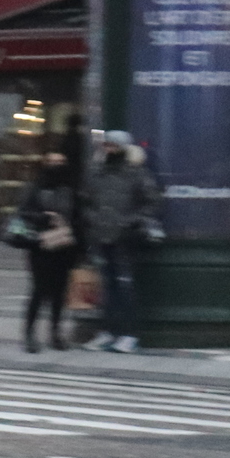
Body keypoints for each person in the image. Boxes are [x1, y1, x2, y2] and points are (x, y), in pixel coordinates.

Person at [80, 129, 161, 352]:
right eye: (107, 146)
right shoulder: (96, 171)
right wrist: (92, 218)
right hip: (102, 235)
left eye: (113, 146)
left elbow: (151, 201)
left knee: (125, 287)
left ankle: (128, 334)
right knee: (107, 287)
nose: (109, 150)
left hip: (124, 238)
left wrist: (132, 221)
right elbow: (86, 200)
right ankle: (108, 331)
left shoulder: (135, 173)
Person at [12, 151, 79, 353]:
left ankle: (55, 332)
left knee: (59, 292)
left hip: (64, 246)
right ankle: (30, 334)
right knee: (39, 290)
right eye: (52, 162)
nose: (56, 166)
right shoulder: (34, 187)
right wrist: (43, 217)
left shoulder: (69, 189)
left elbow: (78, 215)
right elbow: (22, 213)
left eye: (60, 162)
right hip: (39, 245)